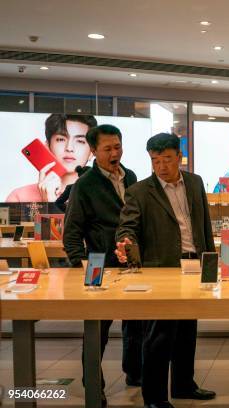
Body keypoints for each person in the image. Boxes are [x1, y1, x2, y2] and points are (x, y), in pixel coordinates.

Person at [115, 133, 217, 408]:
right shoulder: (139, 191)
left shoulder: (194, 183)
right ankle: (155, 397)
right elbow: (128, 227)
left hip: (195, 263)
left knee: (187, 330)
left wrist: (212, 260)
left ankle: (184, 385)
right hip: (161, 268)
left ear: (179, 158)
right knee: (158, 335)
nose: (161, 166)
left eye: (167, 159)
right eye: (155, 161)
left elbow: (204, 224)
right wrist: (125, 242)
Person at [62, 124, 142, 406]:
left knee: (136, 323)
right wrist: (82, 266)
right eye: (107, 149)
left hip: (131, 262)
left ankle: (135, 373)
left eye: (117, 147)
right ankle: (94, 385)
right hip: (99, 264)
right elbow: (71, 233)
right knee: (98, 330)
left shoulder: (130, 176)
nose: (114, 153)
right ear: (93, 151)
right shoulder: (85, 185)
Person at [6, 114, 96, 202]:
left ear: (92, 152)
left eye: (80, 141)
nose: (69, 148)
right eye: (61, 139)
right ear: (47, 146)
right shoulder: (19, 197)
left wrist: (52, 204)